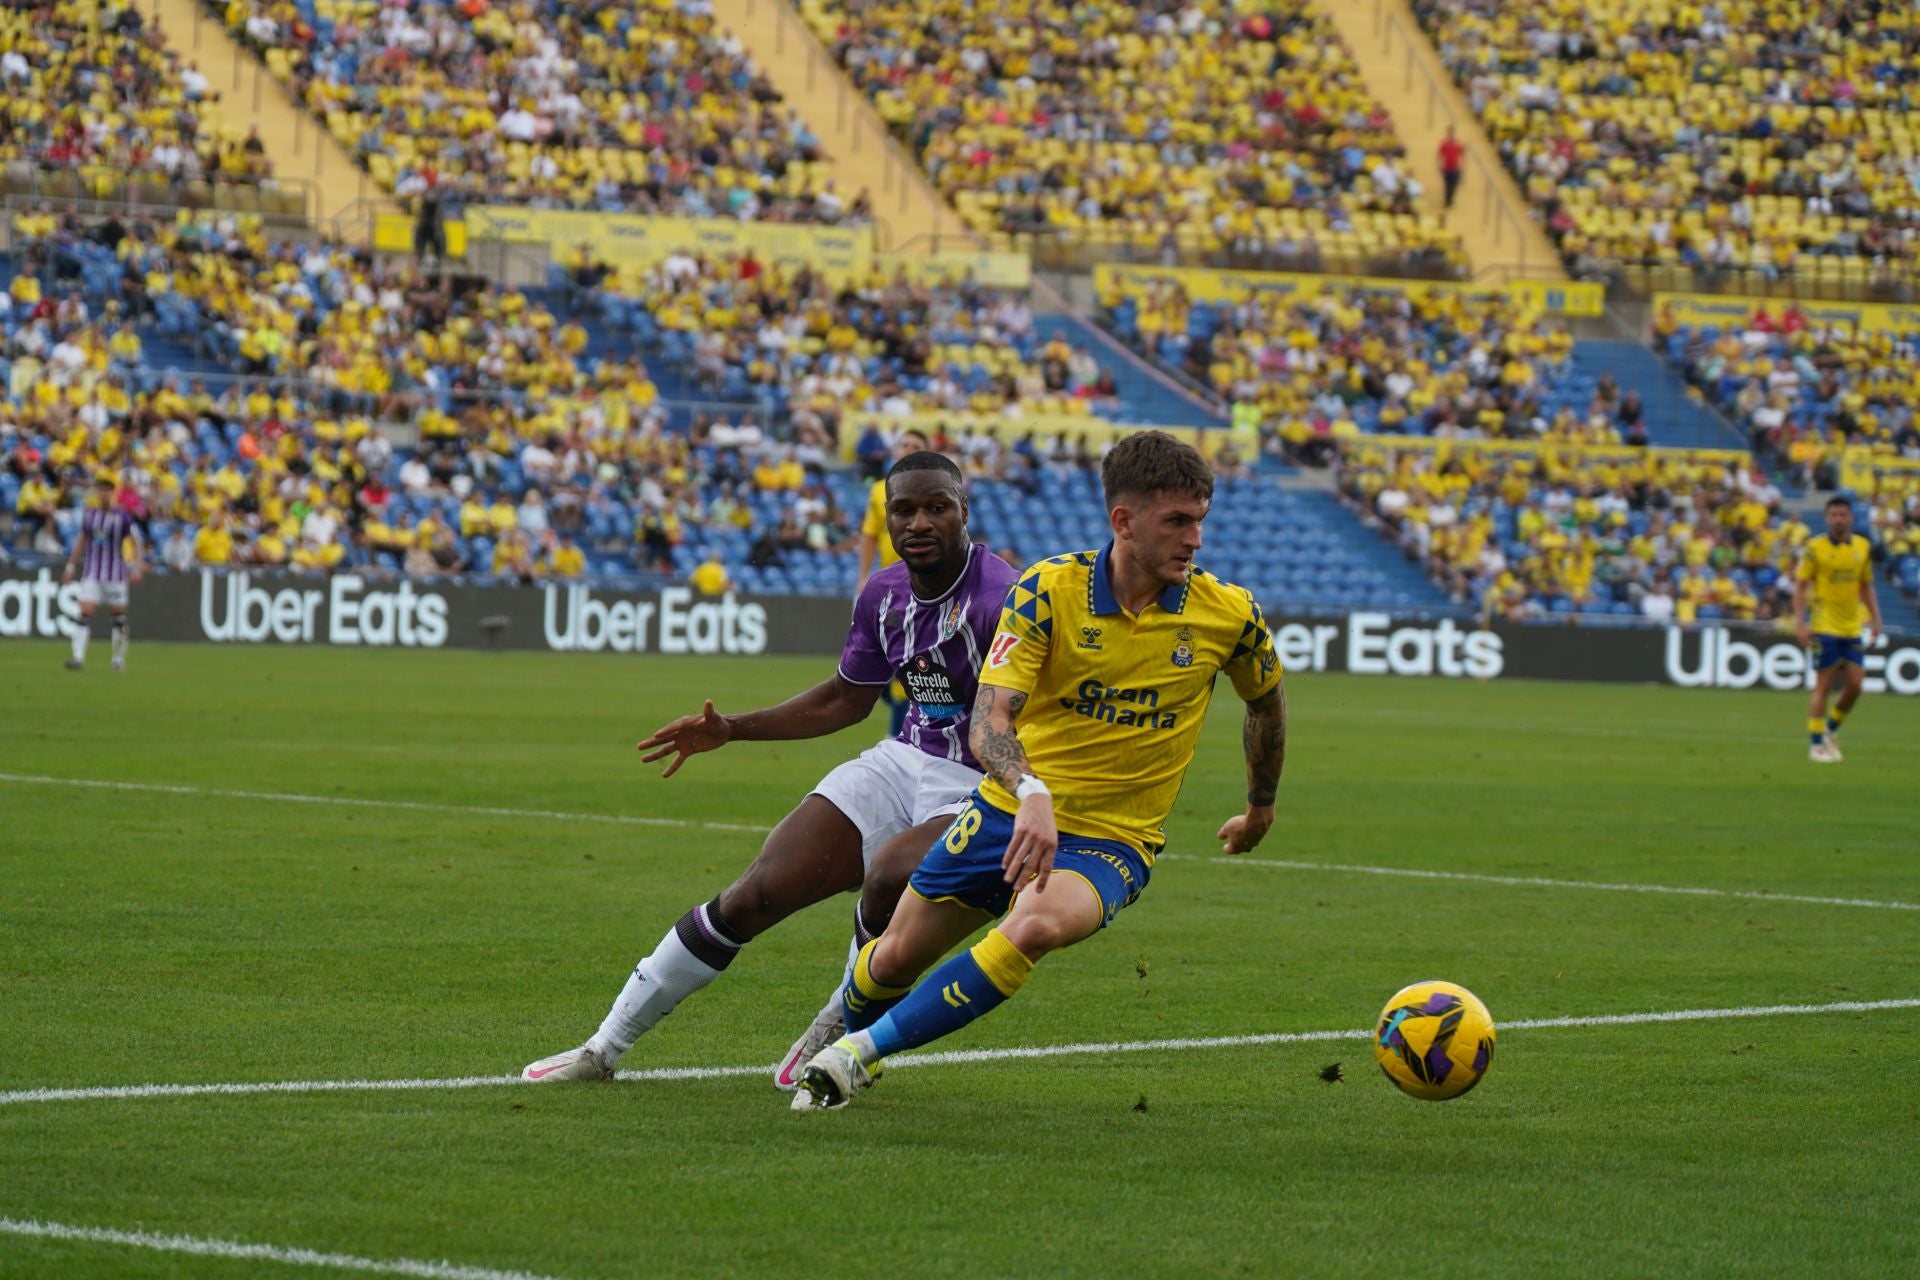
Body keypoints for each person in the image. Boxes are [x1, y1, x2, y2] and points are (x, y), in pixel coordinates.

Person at [797, 430, 1286, 1109]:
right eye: (1177, 521)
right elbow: (989, 722)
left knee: (1034, 925)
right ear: (1124, 520)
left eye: (1200, 520)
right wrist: (1029, 792)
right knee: (891, 960)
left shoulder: (1229, 614)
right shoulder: (1048, 591)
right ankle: (844, 1029)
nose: (1194, 538)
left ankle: (856, 1054)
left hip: (1112, 839)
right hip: (1007, 814)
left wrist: (1261, 804)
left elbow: (1265, 702)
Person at [523, 452, 1022, 1090]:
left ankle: (843, 1031)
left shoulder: (1002, 597)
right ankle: (600, 1050)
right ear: (887, 517)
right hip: (906, 757)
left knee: (894, 875)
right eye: (904, 509)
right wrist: (733, 728)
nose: (919, 522)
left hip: (984, 781)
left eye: (936, 507)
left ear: (963, 513)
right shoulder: (884, 593)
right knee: (755, 892)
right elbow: (847, 698)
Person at [1795, 497, 1881, 763]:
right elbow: (1800, 586)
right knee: (1824, 686)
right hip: (1824, 625)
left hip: (1852, 625)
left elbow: (1866, 586)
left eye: (1843, 514)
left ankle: (1830, 730)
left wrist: (1876, 619)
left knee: (1856, 686)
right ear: (1827, 518)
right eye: (1833, 515)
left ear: (1851, 517)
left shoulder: (1862, 547)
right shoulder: (1815, 548)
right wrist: (1800, 622)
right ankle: (1815, 746)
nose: (1838, 519)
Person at [855, 428, 929, 737]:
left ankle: (898, 735)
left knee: (908, 662)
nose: (908, 449)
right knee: (880, 661)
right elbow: (870, 534)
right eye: (904, 444)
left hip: (920, 589)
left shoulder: (934, 491)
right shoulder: (878, 491)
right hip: (888, 590)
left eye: (916, 446)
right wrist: (863, 576)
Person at [62, 471, 143, 672]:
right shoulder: (90, 514)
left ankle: (117, 659)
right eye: (101, 489)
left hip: (116, 573)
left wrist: (136, 566)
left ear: (113, 492)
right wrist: (70, 566)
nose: (104, 493)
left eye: (108, 490)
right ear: (98, 492)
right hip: (92, 572)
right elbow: (81, 540)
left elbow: (136, 542)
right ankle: (77, 657)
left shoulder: (122, 516)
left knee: (118, 617)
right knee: (84, 613)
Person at [1438, 127, 1465, 212]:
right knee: (1447, 185)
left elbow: (1462, 153)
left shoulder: (1458, 143)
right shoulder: (1445, 143)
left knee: (1454, 185)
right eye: (1449, 133)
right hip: (1447, 167)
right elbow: (1440, 154)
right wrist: (1440, 164)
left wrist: (1461, 165)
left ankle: (1451, 198)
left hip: (1455, 167)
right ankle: (1447, 200)